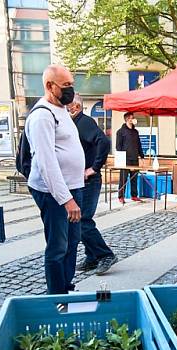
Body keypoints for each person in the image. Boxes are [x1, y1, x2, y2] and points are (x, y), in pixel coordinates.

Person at [26, 65, 85, 294]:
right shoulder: (42, 115)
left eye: (72, 84)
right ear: (50, 86)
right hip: (54, 193)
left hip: (73, 187)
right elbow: (46, 162)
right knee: (58, 246)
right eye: (66, 85)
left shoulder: (61, 110)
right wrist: (66, 199)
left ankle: (66, 287)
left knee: (72, 242)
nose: (71, 89)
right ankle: (57, 297)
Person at [67, 94, 117, 275]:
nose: (65, 107)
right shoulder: (75, 123)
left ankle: (105, 255)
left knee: (82, 220)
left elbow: (103, 141)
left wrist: (94, 168)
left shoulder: (84, 122)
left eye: (67, 104)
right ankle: (92, 256)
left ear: (76, 107)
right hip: (80, 180)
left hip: (89, 180)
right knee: (79, 219)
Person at [116, 112, 143, 203]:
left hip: (135, 158)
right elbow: (118, 146)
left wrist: (142, 157)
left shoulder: (136, 132)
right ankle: (121, 196)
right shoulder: (120, 132)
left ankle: (134, 195)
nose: (134, 119)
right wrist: (120, 159)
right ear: (128, 119)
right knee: (123, 178)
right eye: (132, 117)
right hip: (125, 159)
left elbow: (139, 145)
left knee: (134, 178)